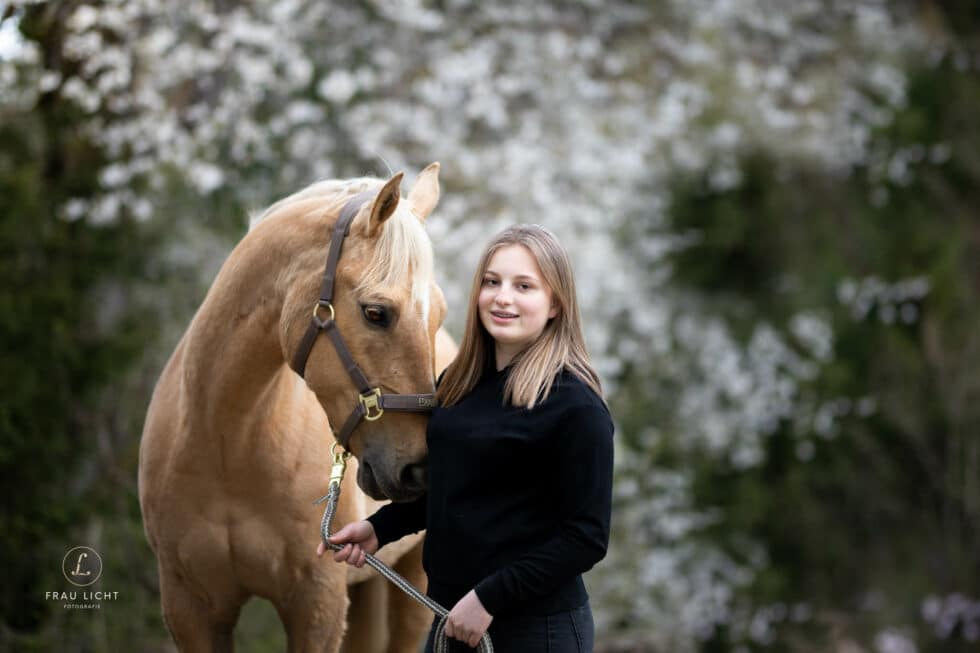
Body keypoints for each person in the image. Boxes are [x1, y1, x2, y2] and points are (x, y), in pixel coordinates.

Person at [316, 224, 614, 652]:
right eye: (492, 282)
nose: (503, 297)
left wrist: (488, 598)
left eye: (524, 286)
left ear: (555, 305)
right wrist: (380, 528)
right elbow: (451, 488)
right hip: (450, 618)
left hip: (535, 632)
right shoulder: (458, 385)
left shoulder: (576, 407)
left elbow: (585, 538)